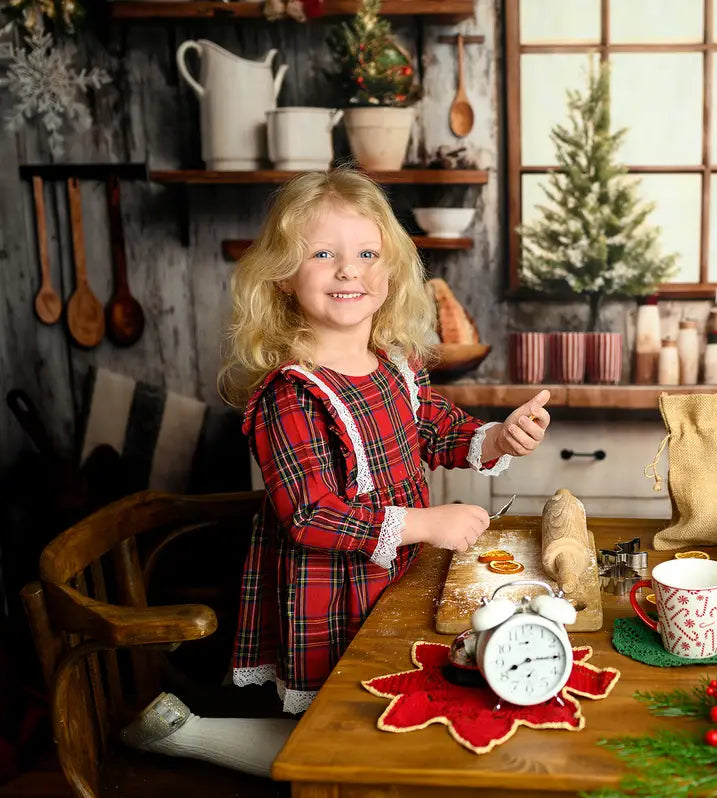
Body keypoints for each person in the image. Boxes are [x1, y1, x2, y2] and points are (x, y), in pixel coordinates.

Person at [120, 168, 551, 777]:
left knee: (386, 711)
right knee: (344, 733)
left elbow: (434, 428)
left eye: (367, 253)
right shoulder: (290, 394)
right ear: (284, 275)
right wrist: (428, 522)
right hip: (333, 595)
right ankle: (189, 734)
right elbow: (311, 515)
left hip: (395, 577)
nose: (349, 270)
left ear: (391, 269)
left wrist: (499, 437)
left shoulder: (395, 367)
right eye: (323, 254)